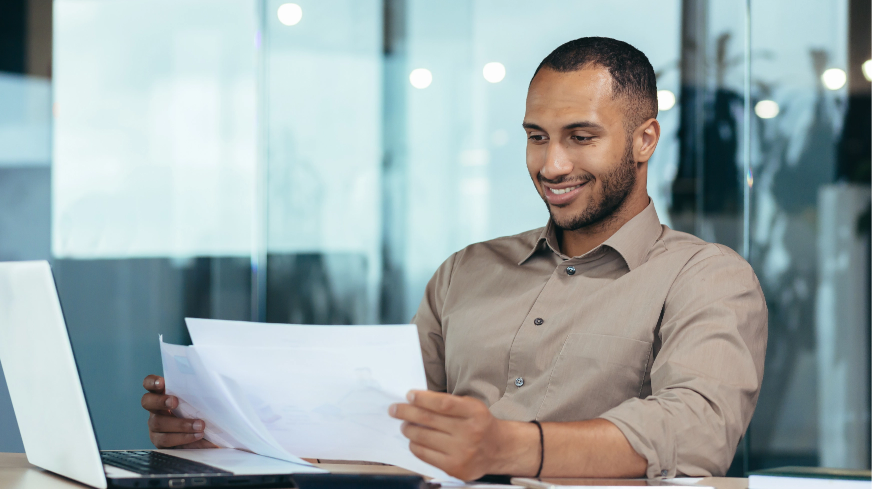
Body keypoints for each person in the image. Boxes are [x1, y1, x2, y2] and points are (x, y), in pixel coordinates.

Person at [141, 37, 767, 481]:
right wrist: (218, 434)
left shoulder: (706, 277)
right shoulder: (467, 271)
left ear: (644, 139)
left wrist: (508, 447)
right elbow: (386, 430)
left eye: (581, 137)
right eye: (536, 137)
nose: (552, 165)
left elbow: (698, 431)